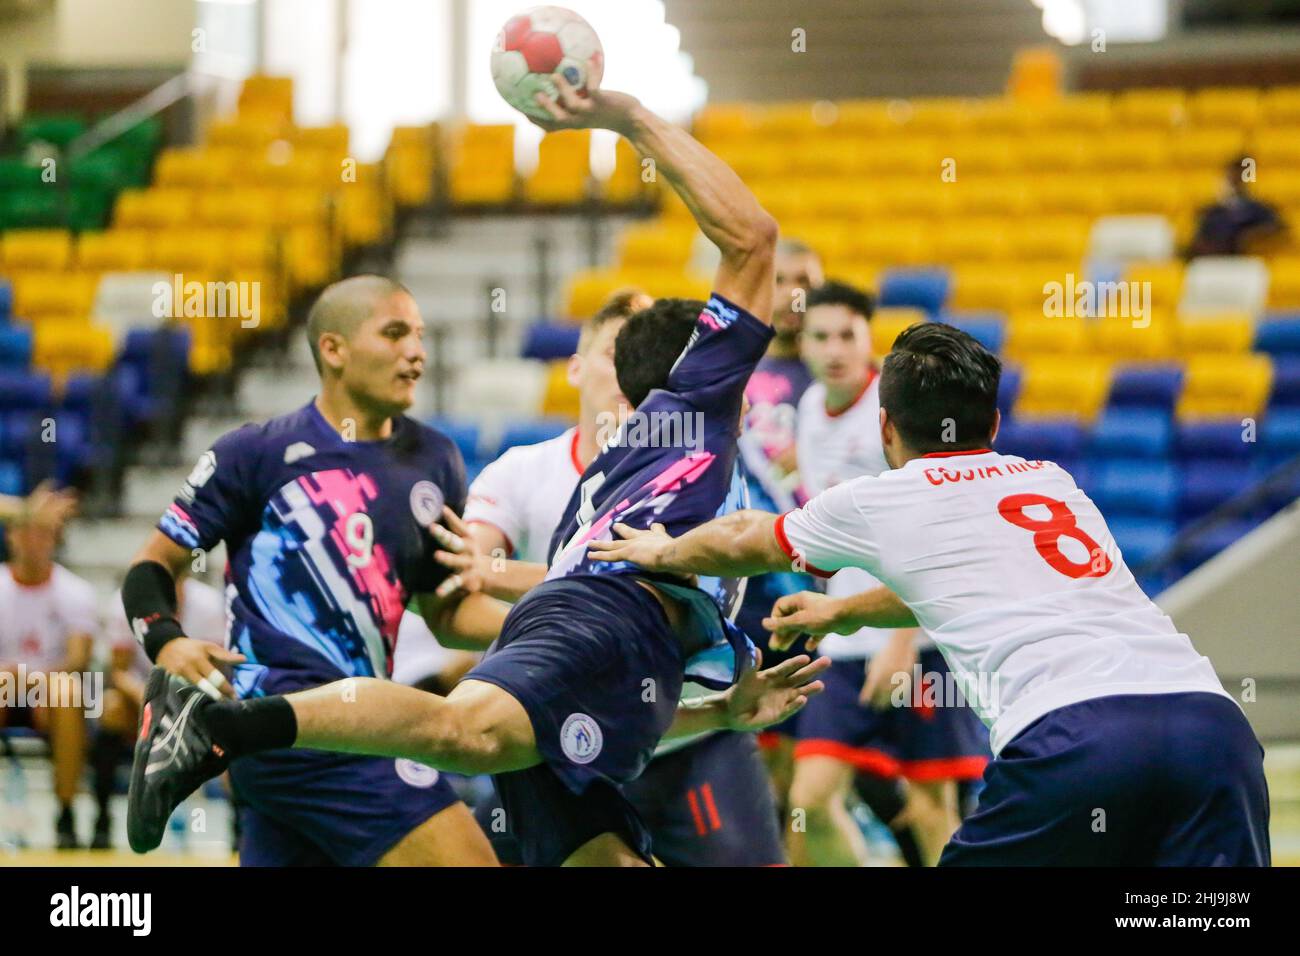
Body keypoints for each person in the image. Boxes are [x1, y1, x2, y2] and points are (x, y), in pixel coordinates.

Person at [127, 77, 828, 867]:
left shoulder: (616, 486)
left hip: (608, 669)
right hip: (582, 637)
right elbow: (753, 237)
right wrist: (626, 116)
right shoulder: (696, 408)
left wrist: (726, 710)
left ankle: (231, 729)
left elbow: (609, 680)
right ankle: (221, 726)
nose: (417, 350)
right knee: (462, 731)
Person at [588, 322, 1270, 866]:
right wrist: (844, 612)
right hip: (1212, 732)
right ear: (994, 424)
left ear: (887, 428)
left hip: (1076, 739)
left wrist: (662, 549)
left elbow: (742, 537)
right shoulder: (1053, 481)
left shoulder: (887, 497)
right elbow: (989, 585)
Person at [120, 273, 505, 866]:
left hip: (360, 721)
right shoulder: (256, 452)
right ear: (334, 349)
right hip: (283, 725)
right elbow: (155, 563)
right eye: (395, 333)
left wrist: (544, 621)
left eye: (421, 336)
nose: (417, 353)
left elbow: (446, 613)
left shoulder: (436, 459)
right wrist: (166, 642)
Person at [456, 288, 787, 866]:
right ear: (576, 369)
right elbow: (461, 591)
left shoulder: (706, 461)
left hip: (688, 733)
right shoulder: (520, 471)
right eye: (615, 349)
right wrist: (562, 639)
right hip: (564, 717)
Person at [786, 282, 987, 867]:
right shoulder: (806, 411)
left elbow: (930, 535)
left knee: (930, 810)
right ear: (801, 344)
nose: (834, 349)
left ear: (869, 339)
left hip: (915, 644)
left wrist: (900, 645)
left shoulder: (897, 415)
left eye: (847, 335)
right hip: (842, 643)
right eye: (820, 336)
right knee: (810, 799)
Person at [735, 239, 822, 813]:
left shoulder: (837, 375)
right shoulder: (738, 368)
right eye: (784, 278)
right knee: (742, 734)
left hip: (812, 575)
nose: (794, 293)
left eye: (807, 282)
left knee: (797, 751)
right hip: (746, 574)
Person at [94, 575, 227, 849]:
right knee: (110, 709)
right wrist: (154, 700)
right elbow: (118, 672)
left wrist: (181, 704)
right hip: (140, 700)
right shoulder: (125, 602)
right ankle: (101, 820)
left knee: (235, 718)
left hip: (198, 702)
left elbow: (218, 673)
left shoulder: (209, 605)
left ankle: (239, 824)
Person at [0, 515, 97, 849]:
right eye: (25, 532)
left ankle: (66, 812)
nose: (33, 542)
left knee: (68, 692)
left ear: (54, 539)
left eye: (42, 533)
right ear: (11, 537)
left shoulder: (75, 591)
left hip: (51, 691)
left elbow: (78, 660)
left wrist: (28, 678)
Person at [1187, 156, 1287, 258]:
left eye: (1238, 178)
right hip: (1216, 263)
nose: (1234, 182)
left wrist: (1251, 237)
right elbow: (1198, 241)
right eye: (1231, 178)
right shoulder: (1211, 213)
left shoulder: (1258, 210)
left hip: (1248, 262)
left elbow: (1277, 229)